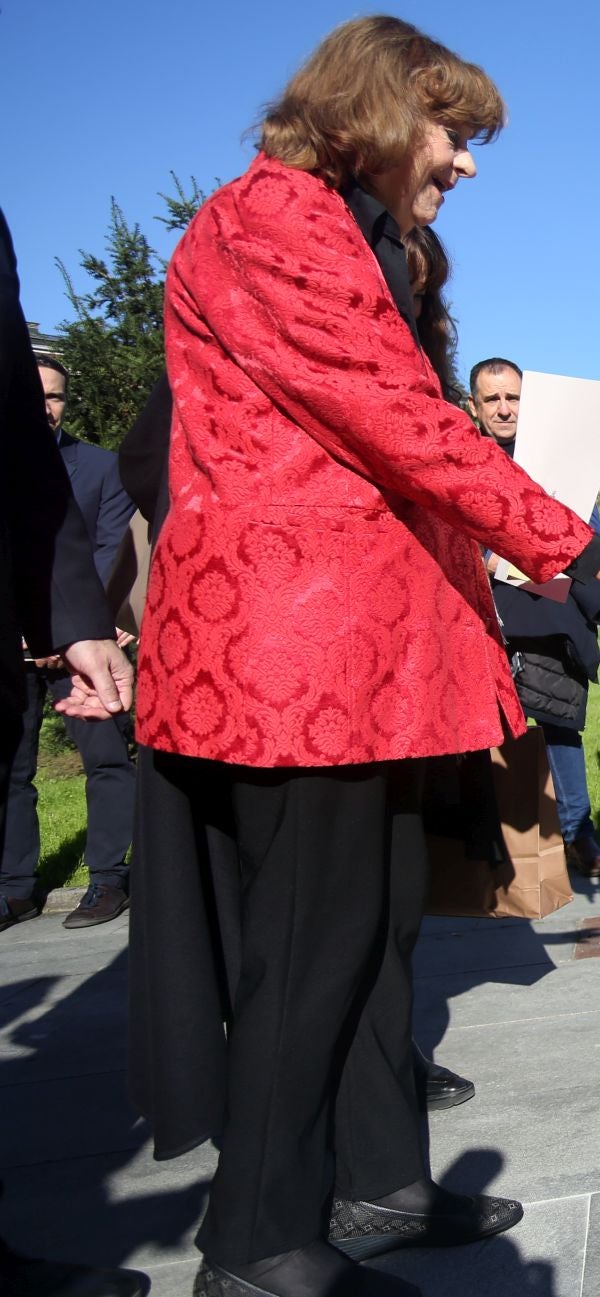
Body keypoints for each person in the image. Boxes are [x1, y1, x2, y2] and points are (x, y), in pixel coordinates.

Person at [125, 19, 600, 1296]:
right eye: (455, 134)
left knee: (380, 927)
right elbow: (393, 417)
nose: (466, 165)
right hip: (295, 657)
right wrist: (577, 547)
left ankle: (380, 1182)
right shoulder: (272, 218)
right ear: (383, 110)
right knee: (308, 944)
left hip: (358, 653)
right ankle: (256, 1242)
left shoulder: (349, 232)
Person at [0, 206, 145, 1297]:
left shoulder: (84, 465)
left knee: (103, 772)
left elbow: (68, 515)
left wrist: (71, 618)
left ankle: (104, 878)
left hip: (56, 622)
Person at [468, 356, 600, 878]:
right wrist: (487, 557)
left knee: (559, 725)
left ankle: (579, 835)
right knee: (489, 734)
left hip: (548, 614)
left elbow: (588, 536)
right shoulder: (461, 462)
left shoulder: (559, 462)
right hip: (486, 613)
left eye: (513, 397)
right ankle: (501, 845)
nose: (505, 408)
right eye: (494, 399)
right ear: (475, 407)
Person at [2, 356, 137, 931]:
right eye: (36, 395)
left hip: (85, 642)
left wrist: (76, 627)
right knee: (11, 767)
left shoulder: (102, 468)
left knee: (106, 760)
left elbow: (109, 551)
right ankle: (14, 889)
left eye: (55, 396)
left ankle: (107, 880)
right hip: (12, 646)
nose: (46, 407)